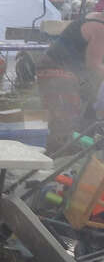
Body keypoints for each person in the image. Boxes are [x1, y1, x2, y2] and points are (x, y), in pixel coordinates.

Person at [35, 12, 104, 156]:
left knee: (72, 120)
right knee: (64, 123)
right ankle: (55, 163)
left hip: (62, 70)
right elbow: (94, 65)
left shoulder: (95, 16)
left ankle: (64, 157)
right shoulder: (100, 28)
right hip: (56, 71)